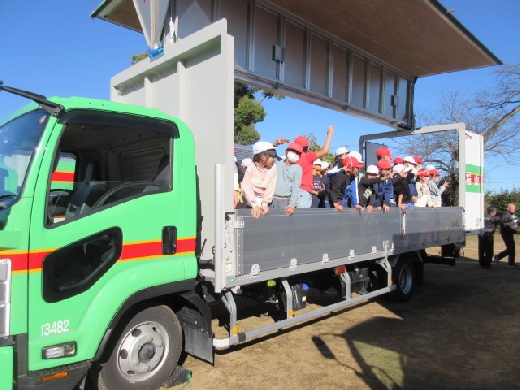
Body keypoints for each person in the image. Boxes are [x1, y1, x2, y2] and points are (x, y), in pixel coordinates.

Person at [291, 125, 334, 208]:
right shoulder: (306, 156)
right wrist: (329, 135)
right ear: (307, 147)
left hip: (293, 191)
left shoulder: (293, 158)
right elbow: (324, 151)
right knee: (303, 219)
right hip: (303, 192)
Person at [241, 141, 278, 218]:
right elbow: (246, 187)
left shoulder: (273, 168)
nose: (274, 158)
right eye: (273, 155)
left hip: (267, 203)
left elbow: (271, 187)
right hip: (251, 202)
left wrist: (265, 204)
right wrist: (254, 204)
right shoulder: (251, 167)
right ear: (263, 156)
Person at [272, 143, 303, 216]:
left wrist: (291, 205)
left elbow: (296, 187)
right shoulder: (278, 162)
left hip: (285, 201)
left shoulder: (297, 168)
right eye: (293, 151)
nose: (295, 154)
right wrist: (276, 143)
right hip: (271, 199)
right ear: (286, 152)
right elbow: (271, 153)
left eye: (298, 153)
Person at [494, 203, 519, 268]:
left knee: (511, 248)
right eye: (513, 208)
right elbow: (504, 219)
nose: (514, 209)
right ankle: (500, 258)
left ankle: (511, 263)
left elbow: (515, 221)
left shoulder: (511, 214)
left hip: (510, 233)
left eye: (514, 208)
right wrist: (513, 218)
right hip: (506, 234)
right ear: (508, 208)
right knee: (511, 249)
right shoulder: (506, 214)